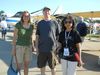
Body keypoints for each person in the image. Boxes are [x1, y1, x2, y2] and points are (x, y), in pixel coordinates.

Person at [35, 7, 61, 75]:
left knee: (53, 67)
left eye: (48, 11)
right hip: (42, 49)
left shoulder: (55, 23)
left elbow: (58, 36)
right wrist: (37, 49)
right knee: (42, 67)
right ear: (43, 13)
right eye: (45, 12)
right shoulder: (40, 23)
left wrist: (58, 47)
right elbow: (37, 37)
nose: (47, 13)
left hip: (52, 49)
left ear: (50, 13)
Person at [12, 11, 34, 75]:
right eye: (24, 16)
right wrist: (13, 48)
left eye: (27, 16)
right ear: (22, 17)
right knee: (19, 66)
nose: (26, 17)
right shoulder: (18, 25)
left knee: (26, 66)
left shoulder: (32, 26)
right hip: (19, 47)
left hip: (28, 47)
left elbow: (31, 36)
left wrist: (33, 45)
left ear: (29, 17)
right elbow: (15, 37)